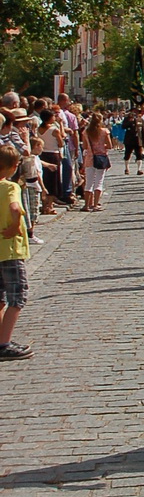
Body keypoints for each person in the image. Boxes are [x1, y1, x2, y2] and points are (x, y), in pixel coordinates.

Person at [0, 145, 32, 360]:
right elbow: (14, 208)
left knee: (0, 298)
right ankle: (4, 342)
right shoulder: (11, 187)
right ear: (13, 167)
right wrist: (14, 226)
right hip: (10, 250)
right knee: (17, 297)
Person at [82, 111, 113, 211]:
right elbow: (109, 145)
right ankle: (95, 204)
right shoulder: (104, 131)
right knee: (99, 182)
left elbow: (84, 146)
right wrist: (101, 146)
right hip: (101, 158)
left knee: (89, 182)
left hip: (89, 158)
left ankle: (86, 205)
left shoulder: (86, 131)